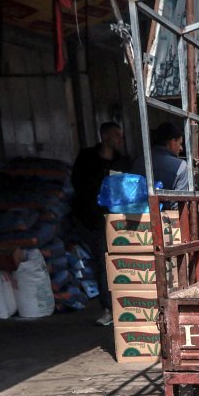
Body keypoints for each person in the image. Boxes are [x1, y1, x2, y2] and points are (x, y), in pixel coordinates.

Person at [70, 121, 129, 322]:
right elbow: (78, 186)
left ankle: (123, 306)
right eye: (116, 136)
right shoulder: (86, 158)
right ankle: (108, 308)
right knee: (103, 263)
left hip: (117, 218)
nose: (120, 140)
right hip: (93, 220)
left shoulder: (122, 162)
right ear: (104, 137)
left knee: (118, 262)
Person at [148, 121, 189, 194]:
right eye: (180, 143)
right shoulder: (181, 166)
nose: (181, 148)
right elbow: (180, 203)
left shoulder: (138, 162)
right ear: (172, 142)